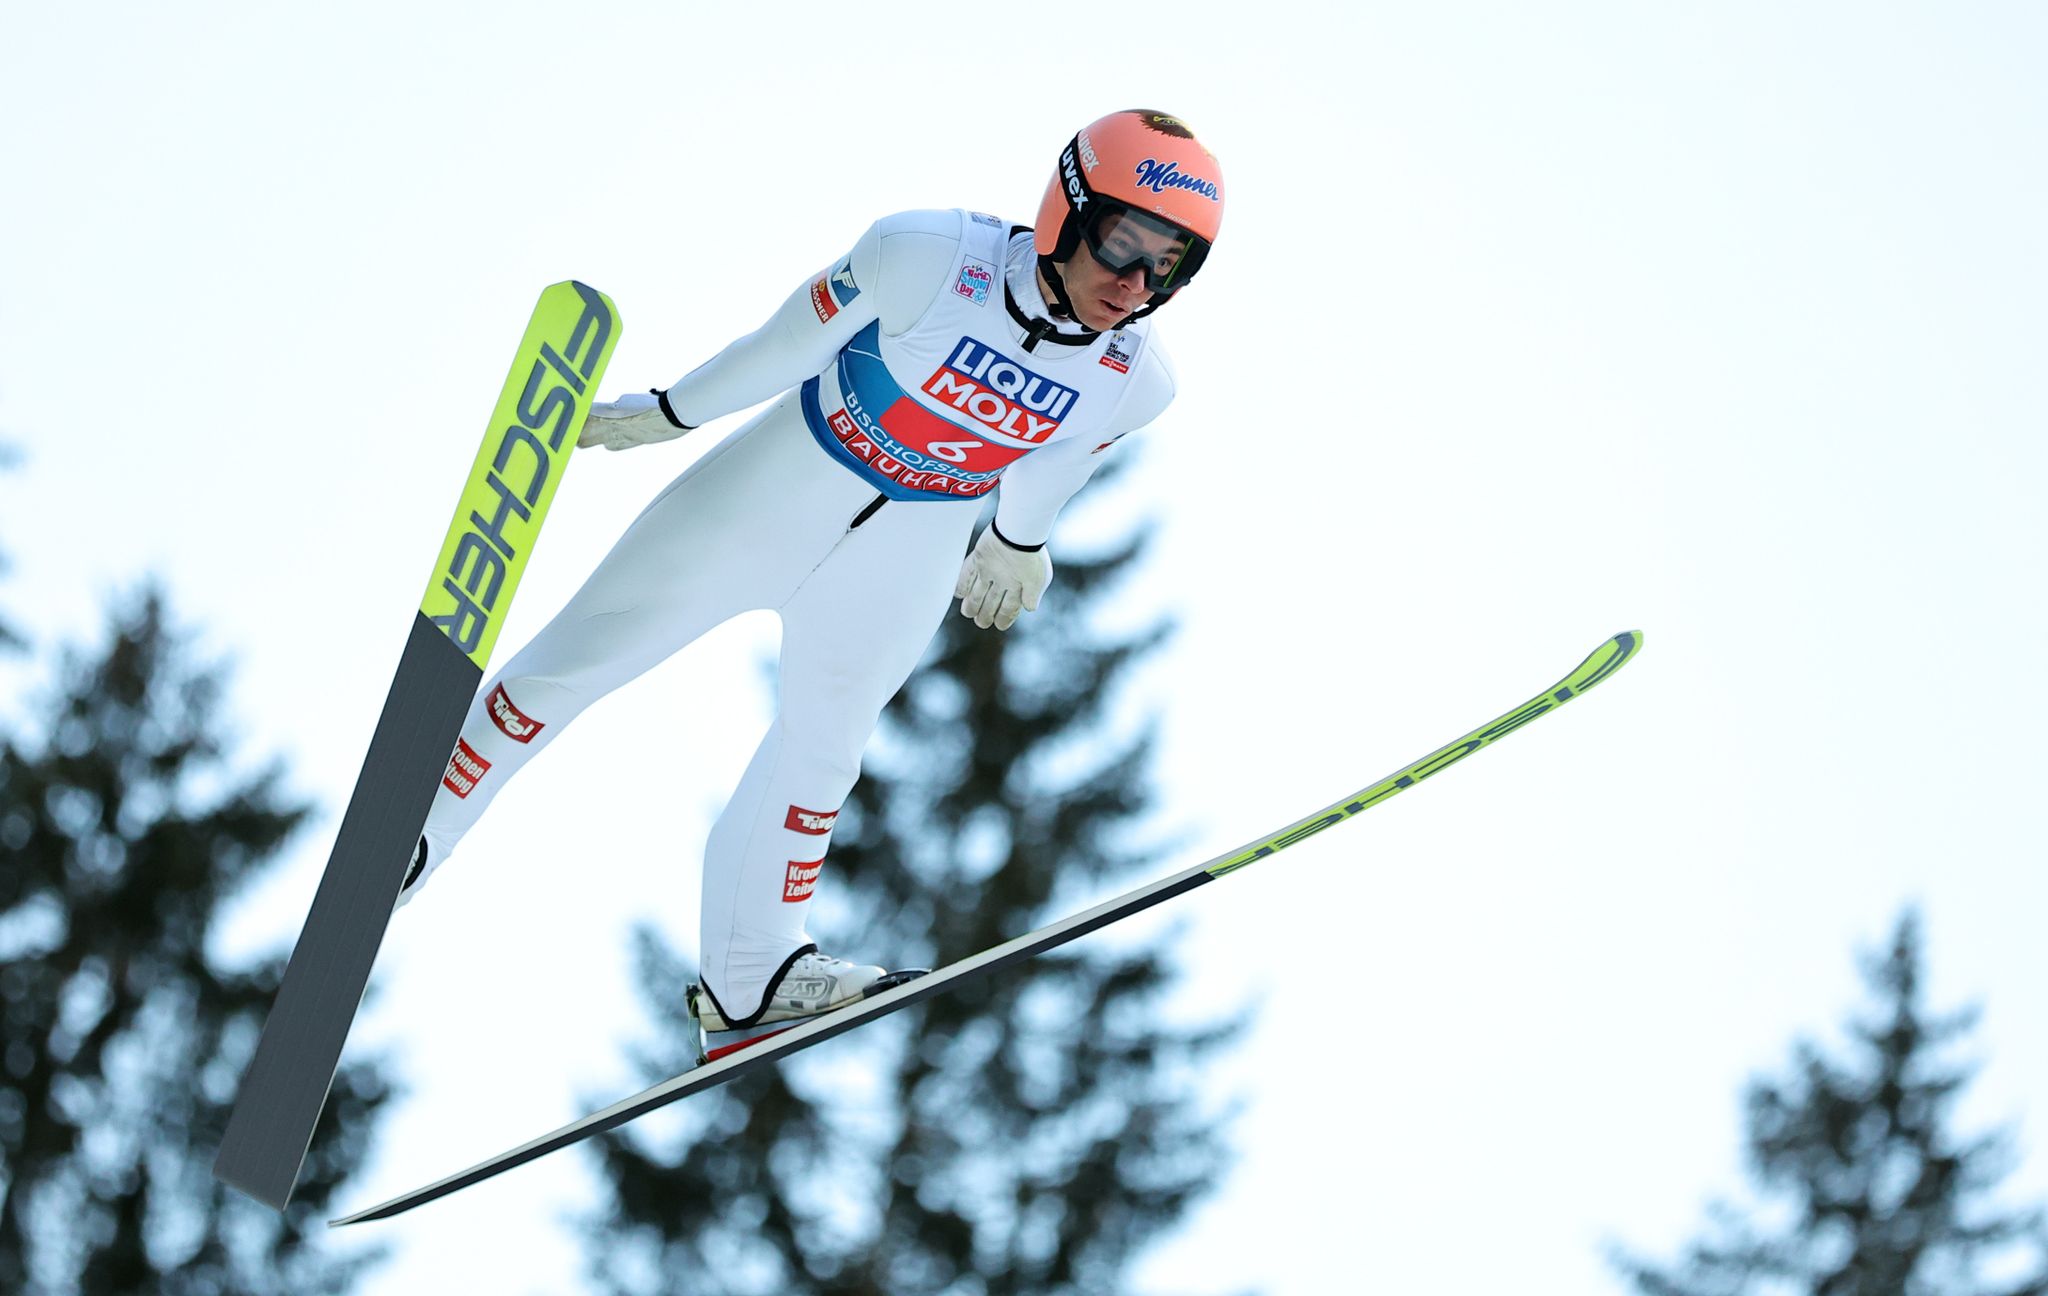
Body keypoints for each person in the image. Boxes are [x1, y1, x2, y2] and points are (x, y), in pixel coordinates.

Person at [398, 110, 1225, 1037]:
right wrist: (673, 413)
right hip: (775, 492)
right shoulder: (928, 253)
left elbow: (1057, 460)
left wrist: (1019, 539)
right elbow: (785, 344)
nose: (1136, 282)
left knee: (826, 748)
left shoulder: (1136, 379)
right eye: (1124, 244)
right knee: (583, 656)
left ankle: (753, 971)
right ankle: (419, 829)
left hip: (906, 550)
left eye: (1171, 266)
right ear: (1066, 210)